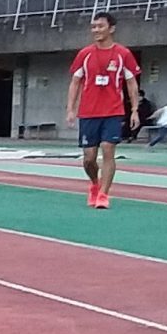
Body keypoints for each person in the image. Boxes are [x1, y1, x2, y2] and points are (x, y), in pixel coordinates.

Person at [65, 11, 142, 209]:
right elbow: (75, 82)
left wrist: (134, 110)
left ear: (111, 29)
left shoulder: (123, 54)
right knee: (89, 158)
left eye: (100, 26)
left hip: (113, 112)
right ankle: (94, 184)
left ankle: (104, 195)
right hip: (89, 113)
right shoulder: (85, 54)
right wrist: (71, 109)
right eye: (94, 27)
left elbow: (132, 84)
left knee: (109, 150)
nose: (96, 30)